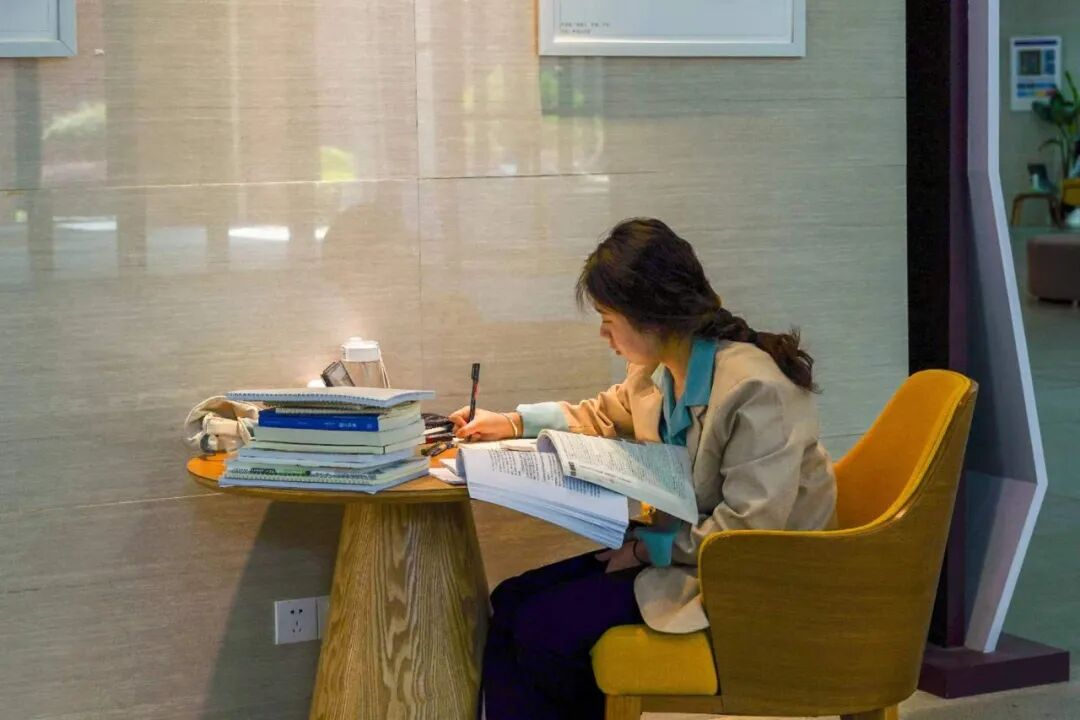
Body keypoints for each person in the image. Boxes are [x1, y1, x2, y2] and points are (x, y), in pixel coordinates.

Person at [450, 217, 837, 720]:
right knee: (510, 598)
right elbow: (601, 414)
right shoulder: (658, 372)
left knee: (543, 629)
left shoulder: (755, 390)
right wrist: (511, 422)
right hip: (678, 555)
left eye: (608, 318)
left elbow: (746, 532)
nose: (603, 334)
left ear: (649, 314)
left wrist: (641, 549)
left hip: (740, 582)